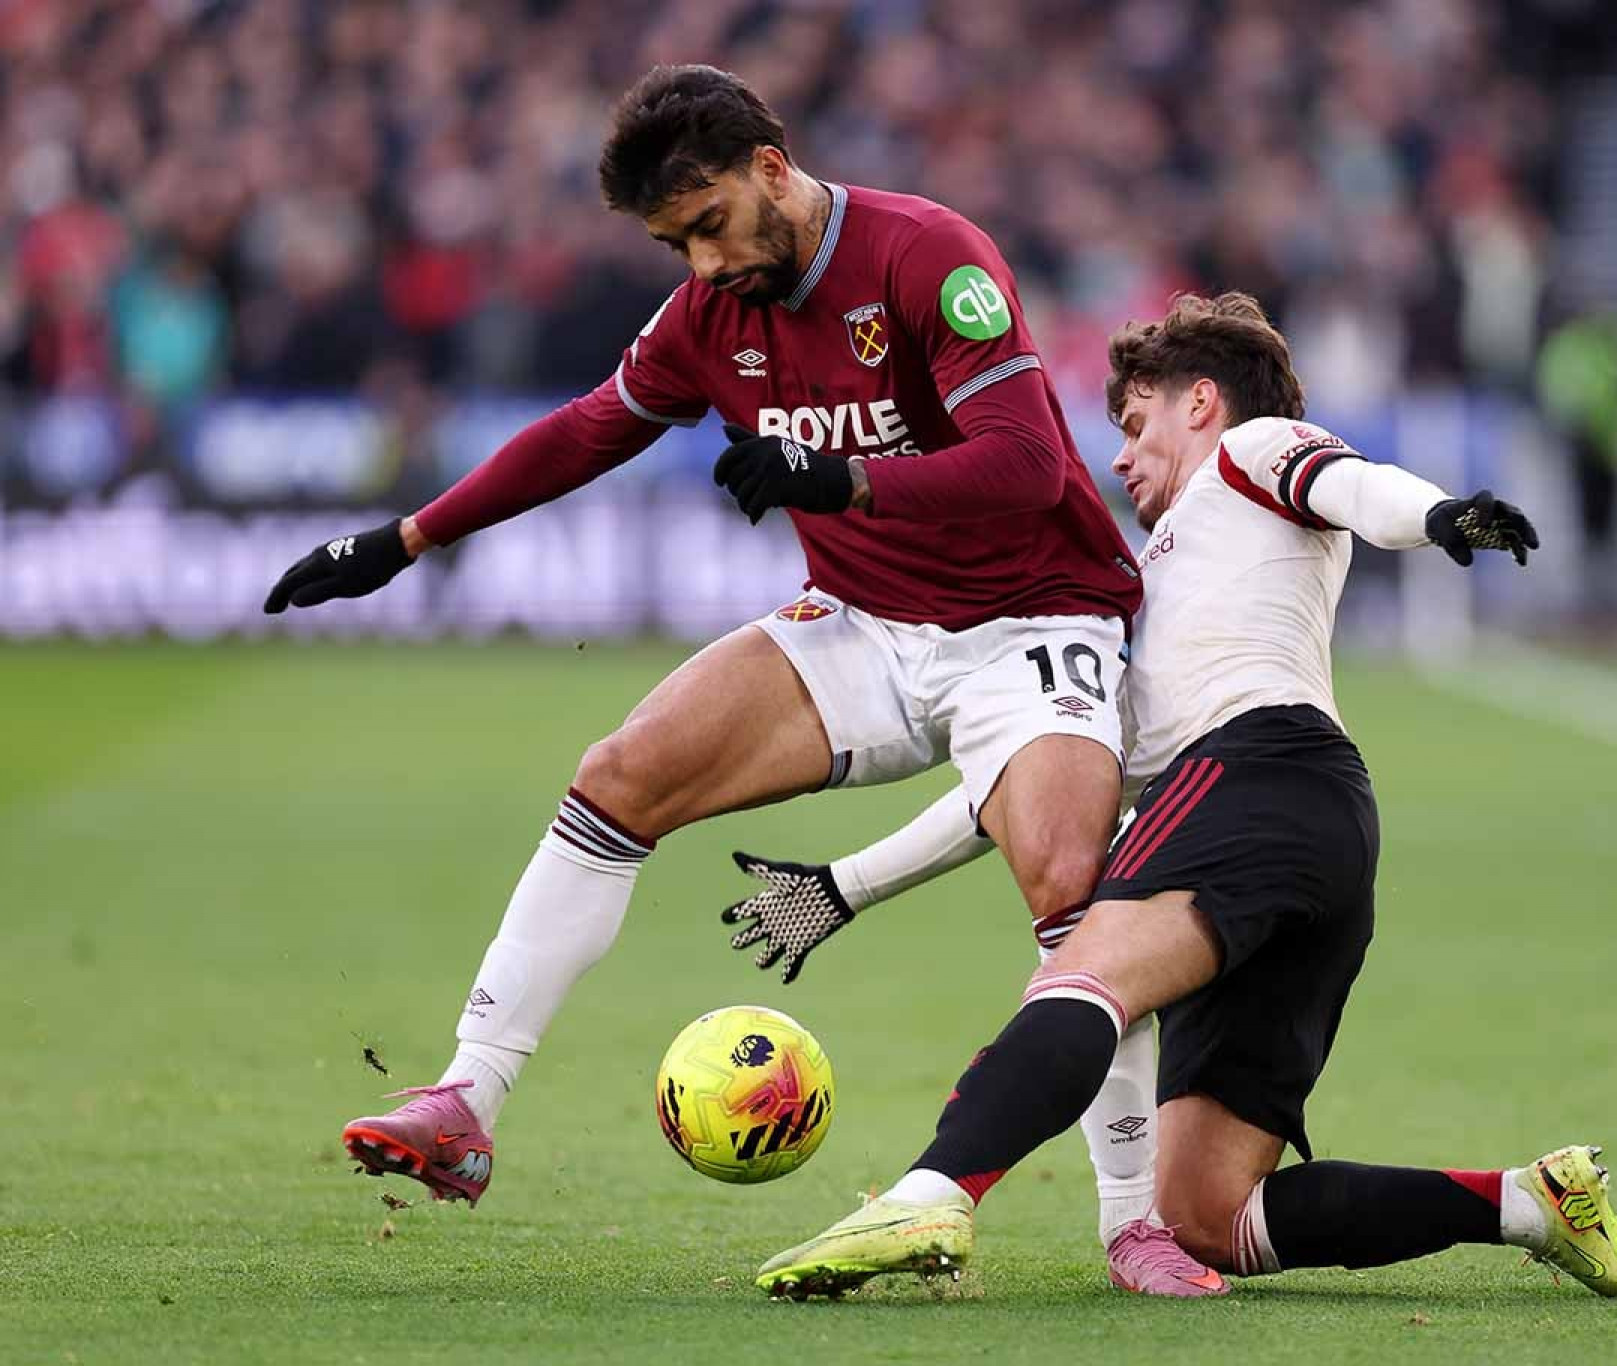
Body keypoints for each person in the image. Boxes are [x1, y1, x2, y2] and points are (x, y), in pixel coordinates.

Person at [260, 65, 1146, 1213]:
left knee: (1068, 879)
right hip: (866, 628)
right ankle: (465, 1101)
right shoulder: (707, 315)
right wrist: (412, 533)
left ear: (771, 170)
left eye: (712, 227)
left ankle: (1138, 1219)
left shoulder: (927, 256)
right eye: (677, 245)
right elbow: (590, 429)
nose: (706, 265)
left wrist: (844, 479)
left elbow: (1027, 463)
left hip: (1035, 618)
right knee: (618, 776)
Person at [748, 293, 1617, 1303]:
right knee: (1209, 1213)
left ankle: (933, 1191)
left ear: (1202, 403)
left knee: (1077, 973)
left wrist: (1438, 515)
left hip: (1255, 772)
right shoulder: (1160, 588)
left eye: (1134, 426)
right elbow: (1039, 793)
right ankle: (1532, 1204)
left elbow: (1351, 484)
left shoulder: (1249, 452)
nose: (1123, 458)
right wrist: (845, 883)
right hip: (1313, 833)